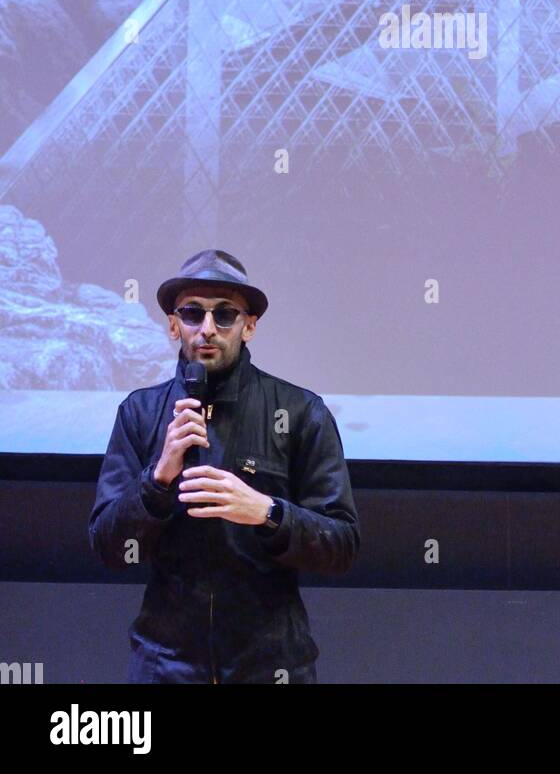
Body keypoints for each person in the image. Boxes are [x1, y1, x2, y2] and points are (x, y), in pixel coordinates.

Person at [88, 249, 360, 684]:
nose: (208, 329)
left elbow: (341, 546)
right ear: (173, 323)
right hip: (165, 667)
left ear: (249, 325)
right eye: (193, 313)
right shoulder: (139, 413)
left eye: (226, 314)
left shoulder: (300, 411)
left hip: (271, 667)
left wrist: (268, 514)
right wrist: (157, 480)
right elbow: (106, 547)